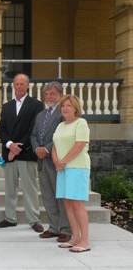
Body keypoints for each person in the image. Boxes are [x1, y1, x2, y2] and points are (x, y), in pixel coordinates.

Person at [0, 73, 45, 232]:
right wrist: (10, 145)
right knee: (10, 188)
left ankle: (34, 219)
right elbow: (1, 128)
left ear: (28, 86)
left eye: (22, 84)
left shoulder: (36, 105)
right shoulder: (6, 106)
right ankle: (10, 218)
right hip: (10, 153)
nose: (19, 86)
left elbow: (34, 129)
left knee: (29, 188)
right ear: (13, 86)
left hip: (27, 153)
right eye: (16, 84)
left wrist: (19, 147)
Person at [31, 82, 71, 242]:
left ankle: (66, 230)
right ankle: (53, 228)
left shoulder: (63, 114)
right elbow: (33, 135)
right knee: (48, 197)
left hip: (57, 162)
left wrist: (46, 149)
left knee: (61, 197)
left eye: (52, 94)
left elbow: (61, 136)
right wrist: (37, 149)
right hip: (42, 162)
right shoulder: (41, 115)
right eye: (46, 94)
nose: (48, 97)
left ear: (60, 95)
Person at [52, 95, 91, 253]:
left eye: (69, 105)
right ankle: (74, 237)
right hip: (63, 168)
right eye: (63, 105)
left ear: (75, 108)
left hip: (77, 167)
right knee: (67, 203)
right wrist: (56, 161)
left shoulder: (81, 123)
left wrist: (64, 161)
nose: (65, 108)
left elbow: (80, 145)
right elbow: (55, 144)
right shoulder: (60, 125)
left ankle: (85, 241)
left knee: (77, 203)